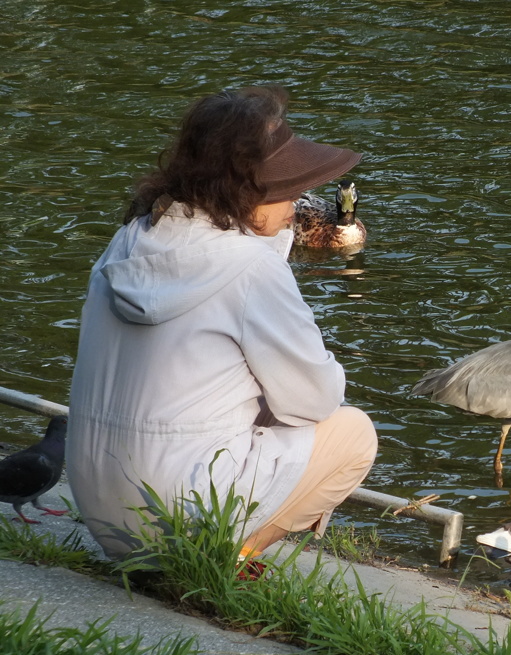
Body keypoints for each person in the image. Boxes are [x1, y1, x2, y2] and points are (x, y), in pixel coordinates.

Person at [67, 85, 378, 568]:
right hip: (175, 514)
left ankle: (208, 552)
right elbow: (317, 400)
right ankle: (226, 560)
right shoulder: (251, 266)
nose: (297, 200)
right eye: (287, 185)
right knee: (354, 433)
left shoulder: (126, 242)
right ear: (248, 192)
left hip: (101, 506)